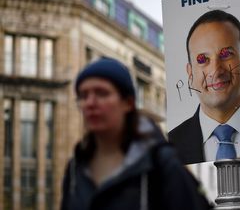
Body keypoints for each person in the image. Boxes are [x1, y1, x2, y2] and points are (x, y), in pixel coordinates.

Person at [61, 58, 212, 210]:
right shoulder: (75, 168)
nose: (90, 103)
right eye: (83, 96)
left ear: (128, 103)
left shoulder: (161, 163)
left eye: (102, 93)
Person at [168, 10, 240, 165]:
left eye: (226, 54)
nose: (216, 71)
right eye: (202, 59)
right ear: (190, 74)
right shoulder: (171, 146)